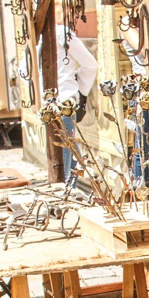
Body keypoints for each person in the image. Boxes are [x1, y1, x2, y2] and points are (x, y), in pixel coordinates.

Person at [56, 24, 98, 181]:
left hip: (49, 103)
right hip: (64, 101)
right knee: (66, 167)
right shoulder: (62, 33)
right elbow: (90, 65)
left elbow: (24, 71)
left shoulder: (35, 36)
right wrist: (78, 90)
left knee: (70, 161)